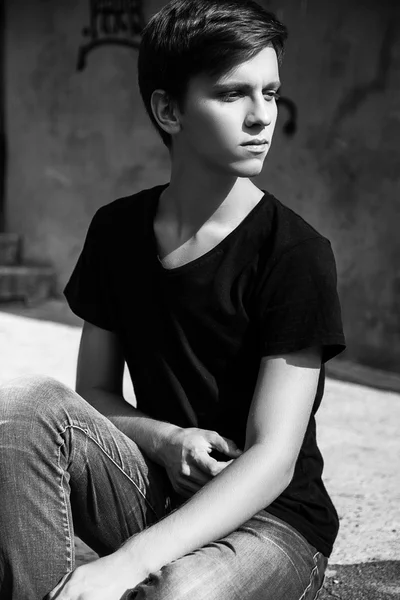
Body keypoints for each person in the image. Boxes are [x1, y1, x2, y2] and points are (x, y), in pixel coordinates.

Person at [0, 1, 346, 599]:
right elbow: (94, 393)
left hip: (274, 525)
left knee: (174, 591)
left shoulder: (295, 252)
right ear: (169, 110)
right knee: (26, 409)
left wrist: (127, 561)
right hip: (156, 491)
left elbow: (273, 459)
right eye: (233, 94)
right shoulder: (116, 231)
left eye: (271, 92)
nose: (262, 116)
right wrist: (163, 437)